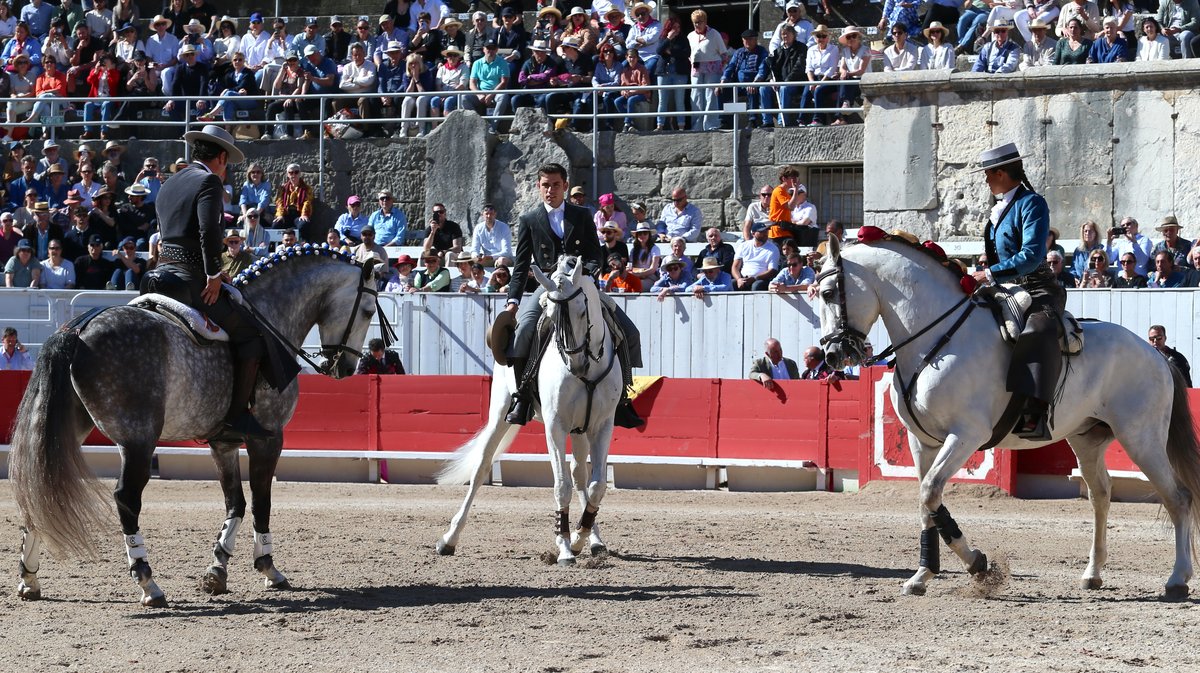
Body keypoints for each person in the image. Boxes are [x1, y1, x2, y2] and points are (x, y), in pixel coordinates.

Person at [144, 124, 287, 440]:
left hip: (157, 276)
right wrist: (212, 275)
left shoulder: (168, 183)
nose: (226, 171)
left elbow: (168, 234)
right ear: (221, 157)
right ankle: (235, 419)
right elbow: (209, 233)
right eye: (227, 164)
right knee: (252, 337)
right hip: (190, 280)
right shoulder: (207, 181)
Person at [500, 162, 643, 428]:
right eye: (545, 185)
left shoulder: (581, 215)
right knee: (522, 334)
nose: (550, 190)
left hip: (581, 284)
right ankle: (523, 398)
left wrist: (585, 275)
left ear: (565, 186)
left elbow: (595, 255)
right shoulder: (529, 220)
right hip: (547, 286)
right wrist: (512, 302)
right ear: (538, 187)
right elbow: (520, 266)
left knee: (630, 332)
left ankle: (622, 397)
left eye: (555, 185)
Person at [969, 142, 1065, 440]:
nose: (985, 179)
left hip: (1038, 289)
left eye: (987, 173)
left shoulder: (1032, 203)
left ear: (1000, 173)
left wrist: (990, 272)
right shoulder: (998, 209)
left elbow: (1032, 256)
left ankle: (1034, 412)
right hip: (1004, 288)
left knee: (1036, 332)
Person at [687, 10, 728, 133]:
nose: (697, 25)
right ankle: (697, 126)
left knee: (710, 96)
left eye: (699, 22)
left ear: (705, 22)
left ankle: (710, 124)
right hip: (696, 68)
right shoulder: (690, 36)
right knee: (696, 96)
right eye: (694, 22)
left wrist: (722, 69)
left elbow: (724, 54)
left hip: (712, 68)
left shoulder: (714, 34)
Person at [722, 29, 772, 128]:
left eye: (750, 39)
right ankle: (724, 121)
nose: (747, 42)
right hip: (739, 84)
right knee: (722, 91)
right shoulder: (739, 52)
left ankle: (752, 120)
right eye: (745, 39)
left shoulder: (762, 52)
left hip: (754, 83)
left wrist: (755, 82)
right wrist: (723, 80)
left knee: (751, 90)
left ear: (755, 40)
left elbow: (762, 69)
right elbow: (731, 66)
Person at [732, 222, 780, 291]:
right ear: (753, 233)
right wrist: (738, 279)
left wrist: (755, 278)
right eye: (761, 232)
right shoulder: (744, 246)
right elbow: (735, 266)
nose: (765, 234)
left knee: (756, 285)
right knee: (732, 283)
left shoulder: (773, 249)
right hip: (744, 277)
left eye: (766, 231)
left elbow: (772, 270)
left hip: (762, 279)